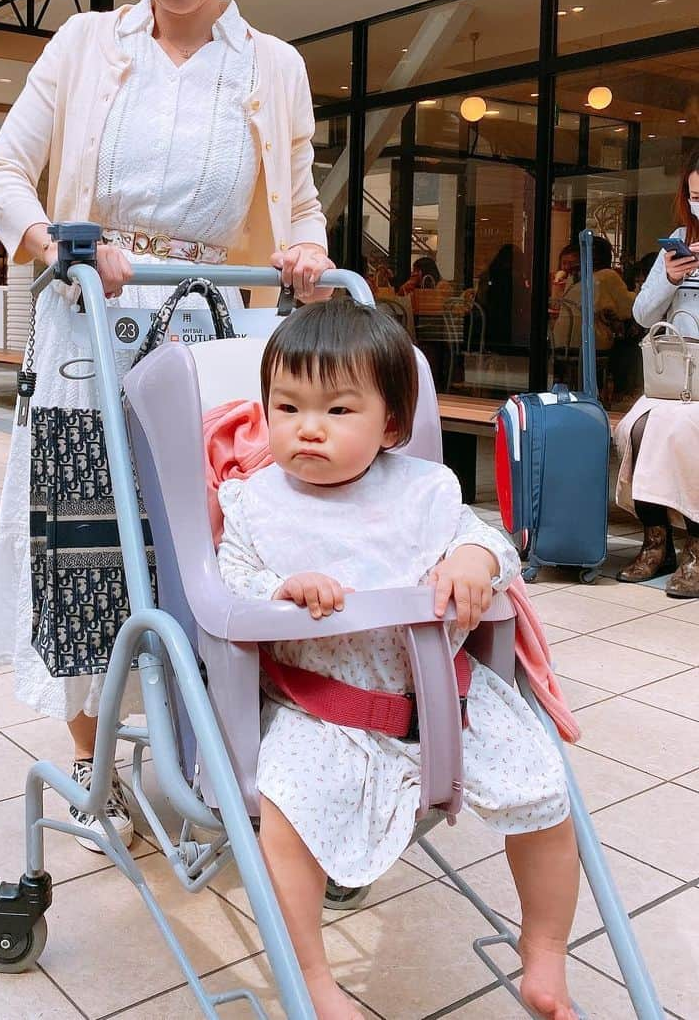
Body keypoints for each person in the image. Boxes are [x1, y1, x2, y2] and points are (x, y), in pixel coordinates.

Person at [0, 0, 334, 850]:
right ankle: (99, 773)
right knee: (91, 553)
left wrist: (304, 254)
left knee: (210, 550)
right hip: (93, 328)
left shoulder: (276, 67)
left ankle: (223, 752)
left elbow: (299, 207)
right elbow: (5, 172)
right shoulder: (87, 46)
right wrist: (57, 241)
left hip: (216, 342)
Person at [217, 298, 578, 1020]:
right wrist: (281, 587)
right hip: (323, 711)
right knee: (283, 818)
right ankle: (316, 982)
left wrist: (472, 558)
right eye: (286, 406)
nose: (307, 428)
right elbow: (230, 579)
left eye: (336, 410)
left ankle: (545, 951)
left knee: (546, 795)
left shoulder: (426, 489)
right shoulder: (256, 502)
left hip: (451, 700)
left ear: (389, 424)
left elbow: (495, 549)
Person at [614, 149, 699, 594]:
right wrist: (667, 276)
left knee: (685, 433)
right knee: (637, 428)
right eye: (695, 194)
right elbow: (643, 315)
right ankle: (657, 542)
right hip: (676, 377)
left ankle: (698, 549)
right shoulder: (679, 238)